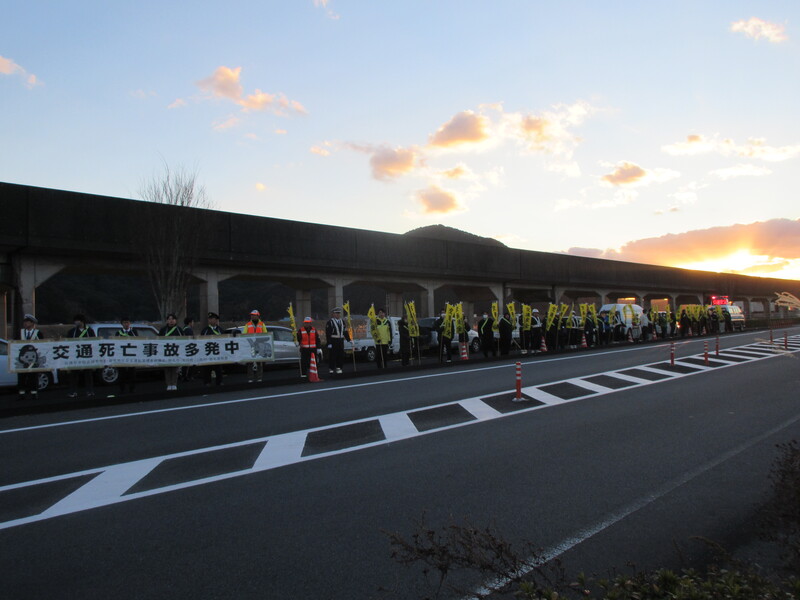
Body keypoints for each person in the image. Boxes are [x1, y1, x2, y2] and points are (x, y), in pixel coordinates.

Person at [66, 314, 96, 399]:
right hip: (75, 355)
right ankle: (73, 391)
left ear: (82, 321)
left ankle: (89, 391)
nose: (75, 322)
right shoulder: (72, 331)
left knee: (88, 374)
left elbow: (94, 342)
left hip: (87, 355)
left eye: (77, 320)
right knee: (74, 375)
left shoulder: (89, 331)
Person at [17, 314, 41, 400]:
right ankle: (21, 393)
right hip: (23, 358)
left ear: (32, 323)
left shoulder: (38, 333)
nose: (25, 323)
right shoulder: (20, 332)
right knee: (21, 376)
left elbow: (42, 345)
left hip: (33, 359)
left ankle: (34, 393)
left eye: (27, 322)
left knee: (33, 376)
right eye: (25, 322)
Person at [159, 313, 183, 391]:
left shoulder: (179, 330)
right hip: (166, 352)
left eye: (173, 319)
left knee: (175, 369)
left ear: (176, 321)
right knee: (167, 369)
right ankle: (169, 384)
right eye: (169, 319)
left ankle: (174, 384)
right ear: (167, 321)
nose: (171, 321)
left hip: (176, 352)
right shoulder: (163, 330)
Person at [243, 309, 268, 382]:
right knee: (250, 362)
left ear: (258, 316)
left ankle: (259, 378)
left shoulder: (262, 324)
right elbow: (244, 334)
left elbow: (266, 334)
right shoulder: (248, 324)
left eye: (254, 315)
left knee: (259, 362)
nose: (252, 316)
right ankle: (250, 378)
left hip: (259, 346)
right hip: (250, 346)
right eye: (252, 315)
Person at [115, 317, 138, 394]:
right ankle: (122, 389)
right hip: (121, 356)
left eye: (128, 322)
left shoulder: (134, 332)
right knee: (122, 374)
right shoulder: (118, 333)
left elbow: (139, 342)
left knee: (132, 374)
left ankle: (132, 389)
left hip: (132, 355)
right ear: (122, 324)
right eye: (124, 322)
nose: (126, 324)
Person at [201, 312, 224, 386]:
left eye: (212, 319)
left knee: (218, 368)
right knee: (207, 368)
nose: (210, 320)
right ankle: (207, 382)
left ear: (216, 320)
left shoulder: (220, 330)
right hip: (208, 352)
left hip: (218, 352)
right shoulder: (205, 330)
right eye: (209, 319)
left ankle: (219, 382)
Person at [325, 307, 349, 374]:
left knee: (340, 355)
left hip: (340, 340)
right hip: (333, 340)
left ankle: (339, 367)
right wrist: (329, 342)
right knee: (333, 355)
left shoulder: (342, 321)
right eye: (336, 313)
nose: (338, 315)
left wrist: (349, 339)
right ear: (333, 314)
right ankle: (331, 368)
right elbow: (328, 333)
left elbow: (345, 331)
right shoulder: (330, 322)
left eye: (339, 313)